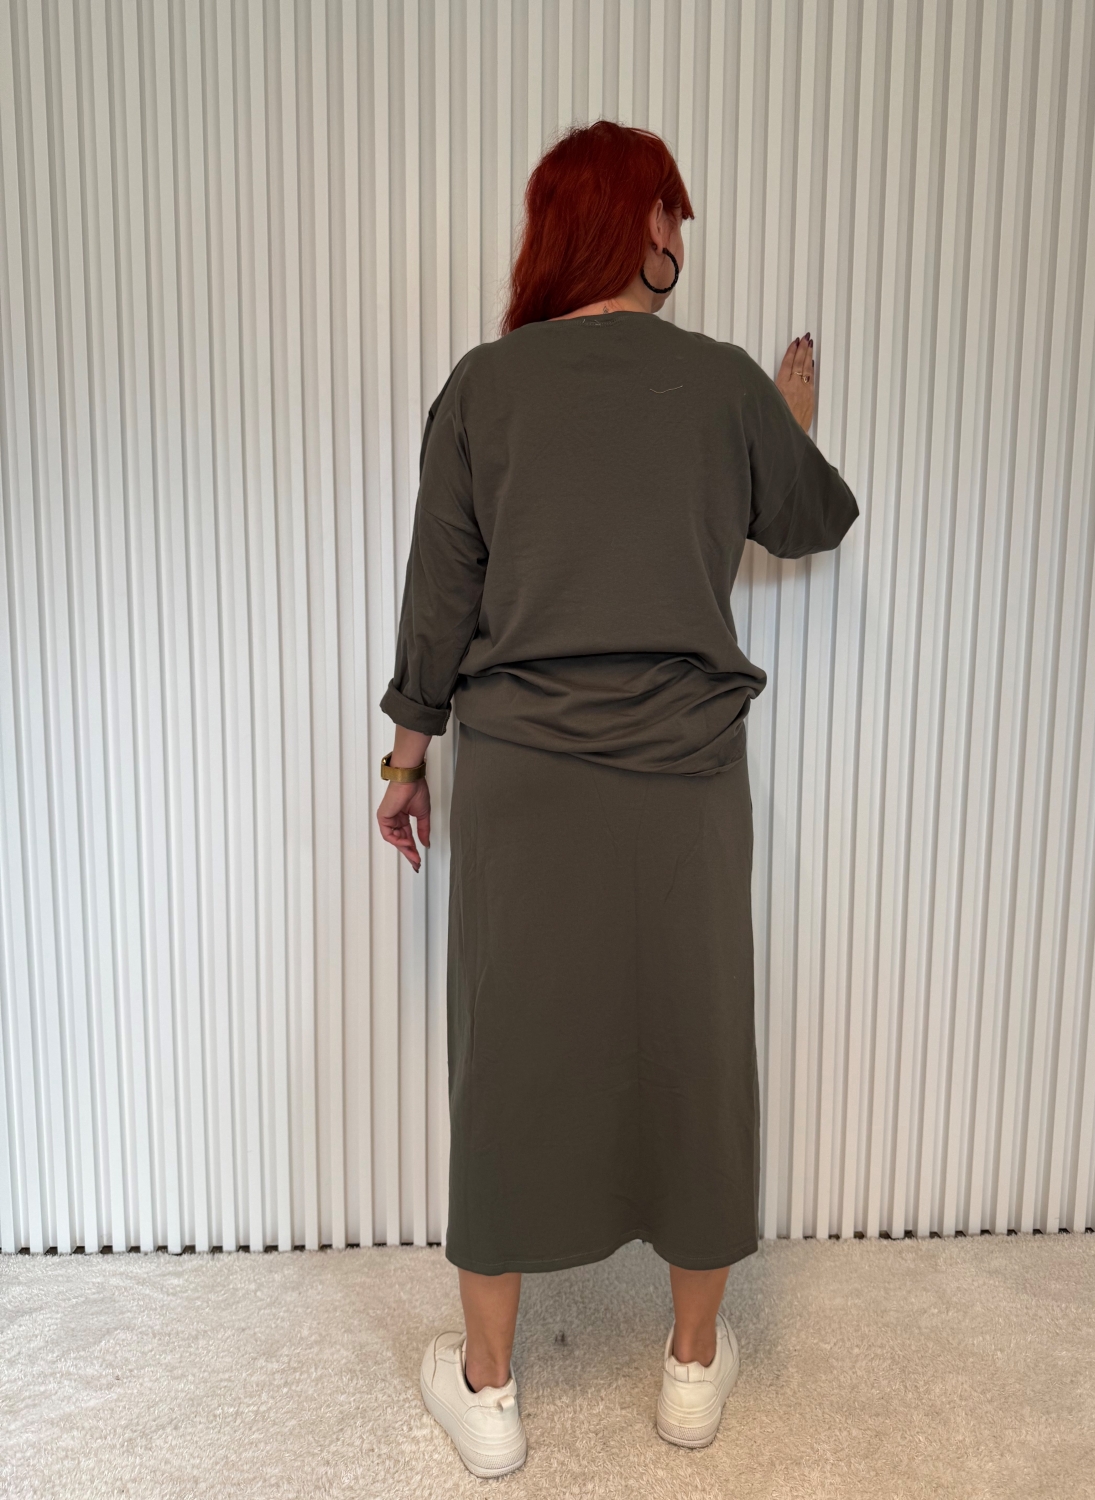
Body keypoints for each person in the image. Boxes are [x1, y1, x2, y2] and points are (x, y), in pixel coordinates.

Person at [377, 120, 859, 1479]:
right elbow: (810, 518)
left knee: (507, 1058)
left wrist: (405, 767)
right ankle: (692, 1371)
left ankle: (487, 1392)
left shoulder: (483, 388)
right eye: (672, 215)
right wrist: (785, 426)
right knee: (696, 1049)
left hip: (522, 783)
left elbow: (438, 604)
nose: (680, 238)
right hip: (685, 783)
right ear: (637, 223)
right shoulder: (723, 387)